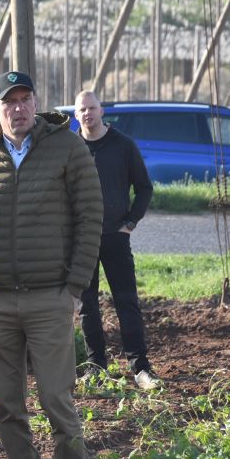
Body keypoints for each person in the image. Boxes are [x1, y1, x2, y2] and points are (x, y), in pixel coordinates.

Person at [0, 71, 102, 459]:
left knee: (57, 399)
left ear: (36, 104)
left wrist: (74, 287)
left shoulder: (68, 148)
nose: (17, 108)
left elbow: (90, 217)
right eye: (8, 102)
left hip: (50, 296)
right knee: (7, 405)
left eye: (24, 100)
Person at [72, 91, 158, 390]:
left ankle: (140, 368)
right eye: (81, 109)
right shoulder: (71, 147)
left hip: (115, 237)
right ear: (75, 114)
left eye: (92, 108)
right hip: (81, 239)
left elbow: (144, 188)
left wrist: (130, 222)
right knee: (87, 306)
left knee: (126, 302)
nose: (87, 114)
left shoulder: (122, 145)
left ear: (102, 111)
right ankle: (96, 368)